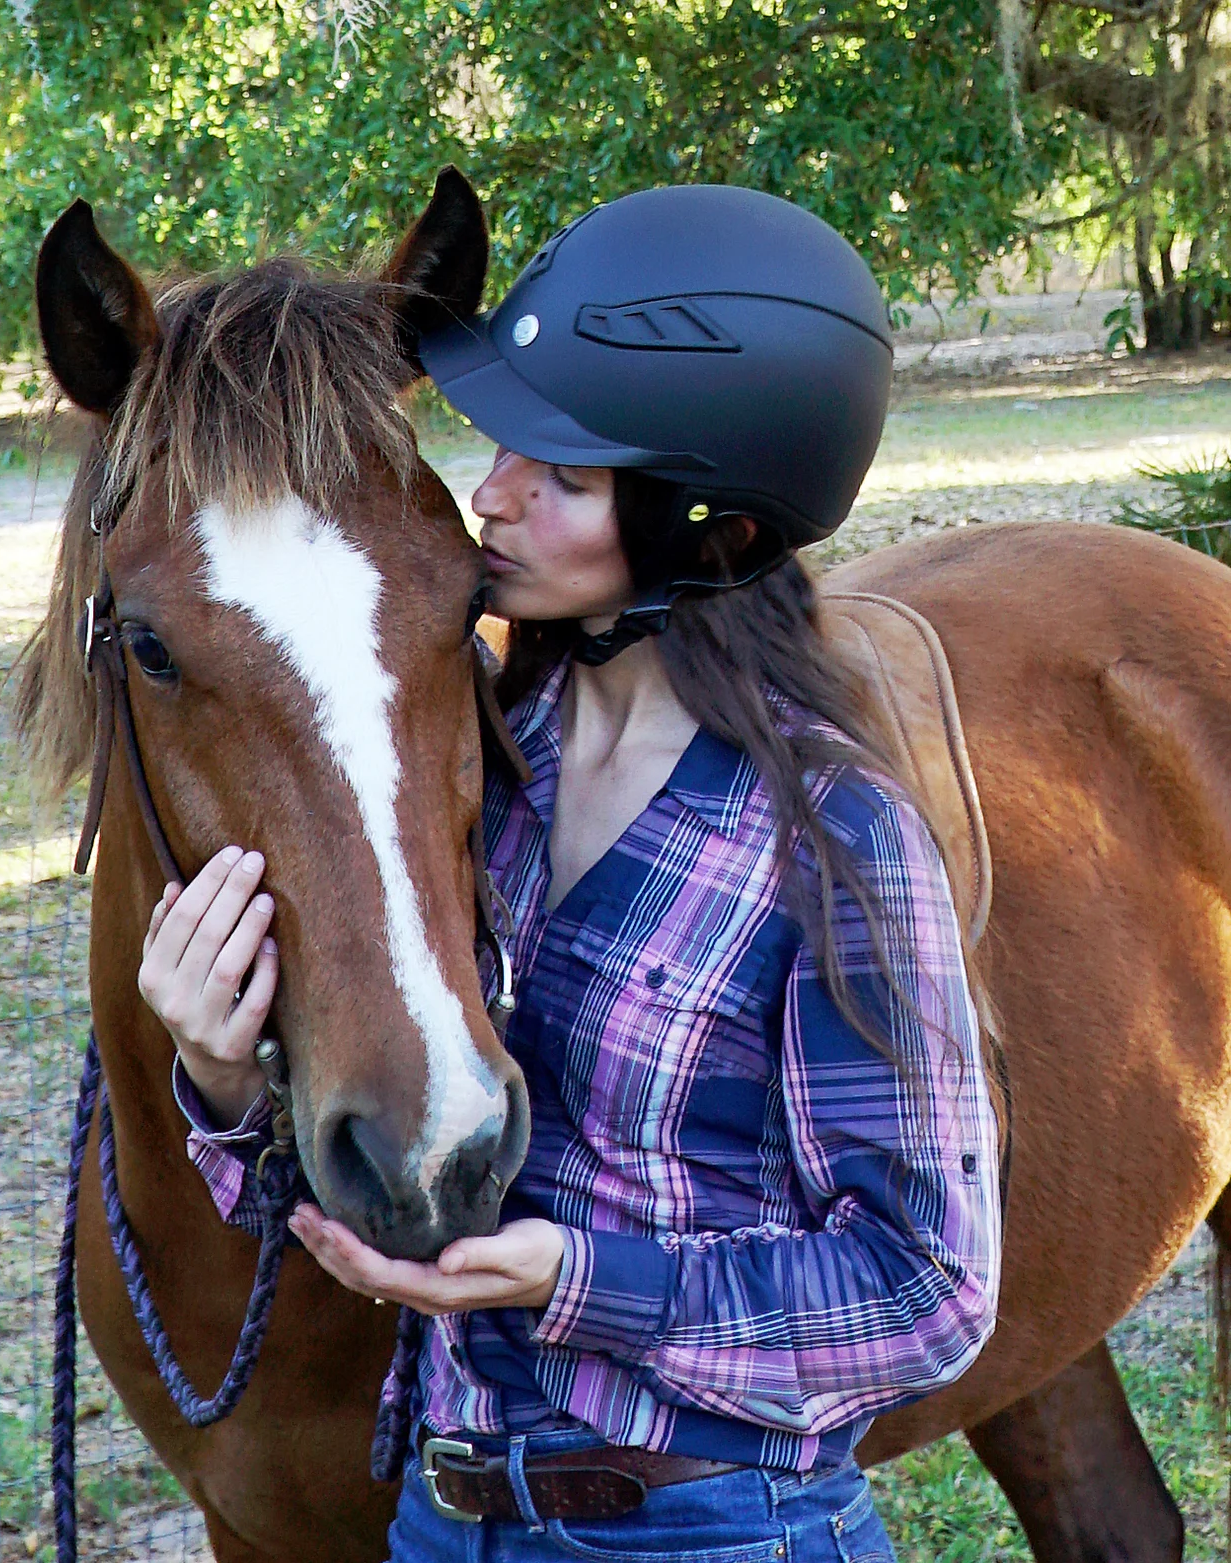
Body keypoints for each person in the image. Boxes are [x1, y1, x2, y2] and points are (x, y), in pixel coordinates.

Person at [134, 185, 1002, 1561]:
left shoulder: (833, 838)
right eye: (504, 445)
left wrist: (578, 1279)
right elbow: (385, 1141)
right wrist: (232, 1079)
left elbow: (927, 1293)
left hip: (718, 1530)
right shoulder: (481, 760)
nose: (492, 495)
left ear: (707, 529)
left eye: (569, 476)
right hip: (451, 1519)